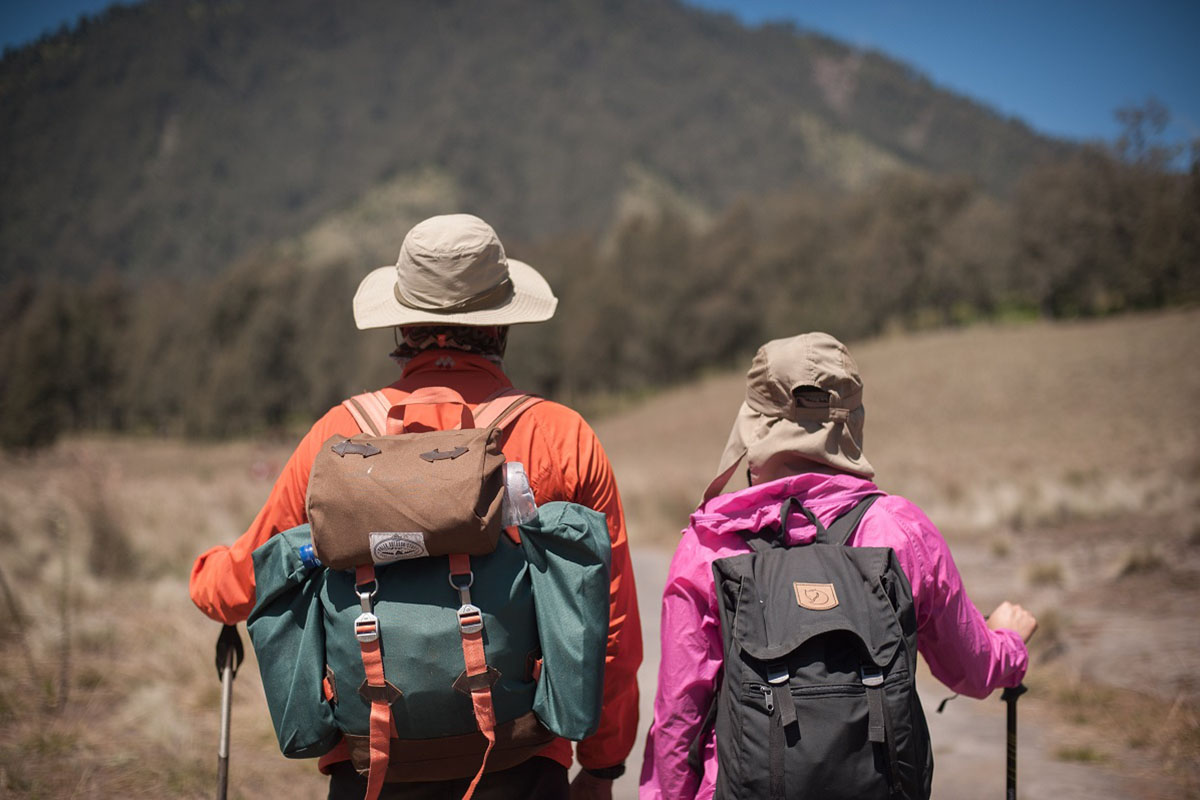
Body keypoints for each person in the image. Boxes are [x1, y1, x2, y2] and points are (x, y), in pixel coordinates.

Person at [190, 213, 642, 800]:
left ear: (401, 322)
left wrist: (207, 579)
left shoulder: (337, 438)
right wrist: (603, 765)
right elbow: (610, 627)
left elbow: (250, 580)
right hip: (523, 762)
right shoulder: (562, 436)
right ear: (501, 325)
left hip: (372, 769)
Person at [638, 332, 1036, 799]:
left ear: (752, 426)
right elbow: (972, 668)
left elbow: (677, 719)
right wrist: (1009, 643)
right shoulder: (899, 530)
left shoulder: (709, 546)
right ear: (852, 423)